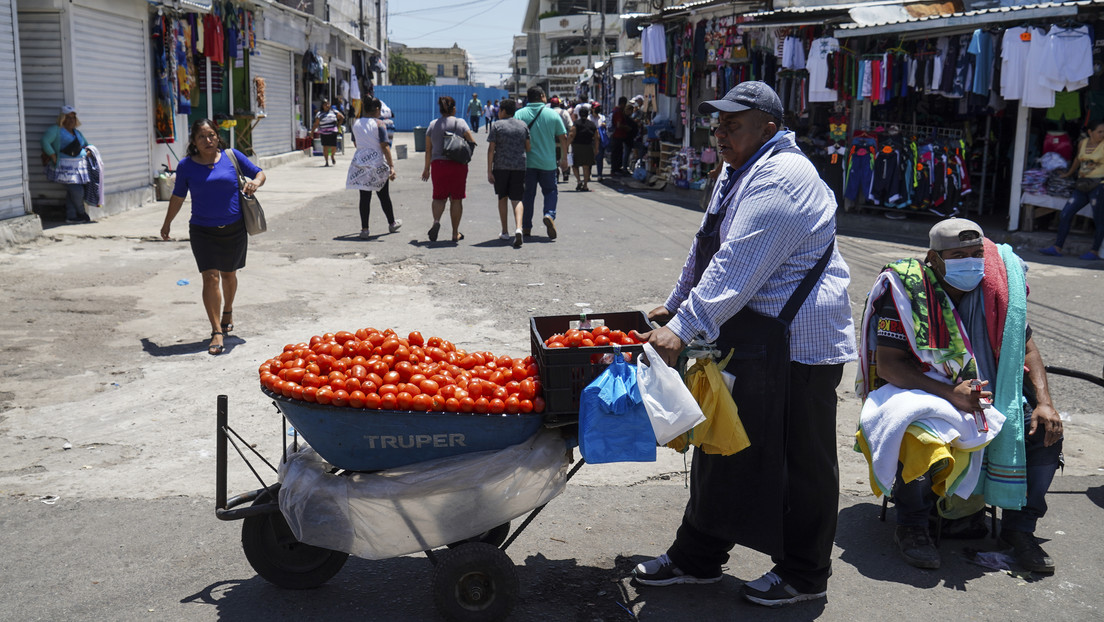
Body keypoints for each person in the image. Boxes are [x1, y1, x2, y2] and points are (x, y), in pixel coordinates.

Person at [630, 82, 856, 608]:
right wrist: (676, 302)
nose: (720, 131)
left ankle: (804, 575)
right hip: (752, 338)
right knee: (721, 448)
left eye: (734, 123)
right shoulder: (739, 172)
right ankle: (697, 559)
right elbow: (707, 245)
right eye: (718, 123)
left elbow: (741, 264)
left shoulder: (783, 177)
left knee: (803, 464)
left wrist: (685, 325)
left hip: (799, 345)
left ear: (768, 128)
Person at [855, 218, 1063, 574]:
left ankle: (1019, 530)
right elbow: (890, 366)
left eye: (975, 254)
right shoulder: (906, 288)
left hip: (985, 390)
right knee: (917, 433)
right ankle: (913, 525)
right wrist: (951, 393)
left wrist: (1044, 402)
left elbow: (1026, 347)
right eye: (958, 255)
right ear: (934, 259)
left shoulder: (994, 290)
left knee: (1043, 431)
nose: (970, 262)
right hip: (922, 386)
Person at [160, 119, 265, 356]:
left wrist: (255, 182)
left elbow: (259, 172)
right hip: (201, 230)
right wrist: (167, 223)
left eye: (212, 135)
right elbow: (178, 197)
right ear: (193, 142)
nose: (208, 141)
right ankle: (216, 330)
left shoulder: (231, 156)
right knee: (210, 277)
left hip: (234, 228)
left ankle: (228, 309)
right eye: (202, 137)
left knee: (229, 274)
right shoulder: (186, 166)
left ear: (218, 136)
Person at [1039, 121, 1104, 260]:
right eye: (1100, 131)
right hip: (1082, 185)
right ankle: (1057, 247)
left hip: (1099, 185)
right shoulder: (1083, 143)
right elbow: (1077, 160)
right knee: (1065, 214)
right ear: (1090, 132)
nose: (1102, 134)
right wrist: (1068, 174)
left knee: (1099, 219)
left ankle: (1094, 251)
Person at [513, 86, 568, 240]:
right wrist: (564, 158)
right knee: (550, 191)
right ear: (543, 96)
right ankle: (549, 214)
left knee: (527, 195)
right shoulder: (552, 115)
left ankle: (526, 227)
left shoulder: (519, 114)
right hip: (548, 163)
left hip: (526, 163)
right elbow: (563, 137)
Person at [421, 96, 475, 243]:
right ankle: (455, 233)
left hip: (438, 165)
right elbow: (472, 142)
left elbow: (428, 149)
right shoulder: (460, 122)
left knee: (439, 197)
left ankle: (436, 221)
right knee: (456, 199)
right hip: (458, 165)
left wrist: (426, 169)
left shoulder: (432, 125)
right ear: (454, 109)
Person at [347, 97, 401, 239]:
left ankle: (365, 229)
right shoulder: (379, 124)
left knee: (364, 198)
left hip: (360, 164)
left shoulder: (356, 123)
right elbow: (385, 146)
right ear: (377, 110)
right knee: (384, 196)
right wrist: (391, 166)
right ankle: (392, 223)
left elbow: (355, 143)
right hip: (377, 164)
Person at [486, 98, 529, 248]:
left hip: (501, 167)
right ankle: (518, 228)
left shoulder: (497, 126)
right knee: (517, 199)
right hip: (519, 166)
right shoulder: (523, 125)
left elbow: (491, 149)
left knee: (502, 197)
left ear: (503, 111)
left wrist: (489, 171)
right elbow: (528, 147)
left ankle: (505, 231)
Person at [41, 105, 94, 223]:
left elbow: (85, 144)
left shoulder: (77, 132)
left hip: (79, 168)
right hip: (65, 168)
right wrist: (53, 155)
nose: (71, 120)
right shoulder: (55, 130)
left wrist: (88, 150)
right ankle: (81, 213)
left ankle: (71, 216)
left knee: (72, 191)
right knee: (77, 191)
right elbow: (45, 141)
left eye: (73, 118)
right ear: (62, 118)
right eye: (68, 118)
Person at [568, 104, 599, 191]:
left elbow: (571, 135)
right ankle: (585, 185)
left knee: (575, 166)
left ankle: (579, 181)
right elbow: (597, 137)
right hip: (588, 147)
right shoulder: (592, 124)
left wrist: (566, 145)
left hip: (577, 147)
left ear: (579, 114)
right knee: (586, 166)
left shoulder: (576, 123)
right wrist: (596, 148)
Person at [311, 98, 344, 166]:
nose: (327, 105)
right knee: (325, 147)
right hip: (324, 133)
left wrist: (338, 126)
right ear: (322, 106)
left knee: (333, 147)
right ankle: (326, 161)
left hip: (333, 132)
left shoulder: (334, 111)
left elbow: (342, 117)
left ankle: (332, 156)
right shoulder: (319, 114)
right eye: (326, 104)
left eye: (328, 104)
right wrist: (312, 132)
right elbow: (316, 124)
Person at [551, 97, 574, 182]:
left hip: (552, 140)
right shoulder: (565, 112)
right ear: (559, 104)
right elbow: (571, 126)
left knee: (554, 158)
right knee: (564, 156)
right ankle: (565, 173)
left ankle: (555, 173)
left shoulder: (548, 113)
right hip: (563, 139)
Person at [608, 96, 629, 175]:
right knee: (617, 153)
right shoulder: (619, 112)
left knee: (617, 152)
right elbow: (619, 125)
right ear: (623, 104)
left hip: (616, 135)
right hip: (618, 135)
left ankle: (616, 169)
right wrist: (627, 127)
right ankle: (615, 169)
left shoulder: (614, 110)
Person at [590, 104, 609, 181]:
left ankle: (599, 174)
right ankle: (589, 173)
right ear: (592, 109)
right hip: (591, 140)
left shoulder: (602, 117)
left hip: (600, 140)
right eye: (596, 108)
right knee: (590, 157)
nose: (598, 109)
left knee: (600, 158)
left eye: (599, 108)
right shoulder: (589, 118)